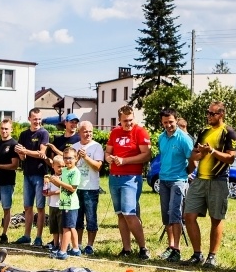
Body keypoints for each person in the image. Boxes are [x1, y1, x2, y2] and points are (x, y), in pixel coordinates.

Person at [182, 101, 236, 268]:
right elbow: (194, 154)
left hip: (218, 180)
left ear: (221, 114)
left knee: (216, 218)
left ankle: (212, 256)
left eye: (212, 113)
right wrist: (200, 153)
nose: (209, 116)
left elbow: (231, 158)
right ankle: (197, 254)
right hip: (199, 179)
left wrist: (212, 151)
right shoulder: (203, 131)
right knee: (189, 216)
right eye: (208, 113)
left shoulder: (229, 132)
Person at [105, 105, 152, 259]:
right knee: (120, 215)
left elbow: (146, 155)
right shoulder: (115, 132)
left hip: (131, 178)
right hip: (114, 178)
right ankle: (126, 249)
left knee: (129, 213)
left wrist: (124, 161)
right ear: (119, 120)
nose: (128, 123)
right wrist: (108, 158)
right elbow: (108, 151)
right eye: (125, 121)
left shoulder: (140, 131)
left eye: (131, 120)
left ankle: (143, 248)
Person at [155, 108, 194, 262]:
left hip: (178, 180)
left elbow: (193, 160)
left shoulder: (184, 139)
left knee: (175, 214)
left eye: (171, 122)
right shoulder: (161, 138)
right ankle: (170, 246)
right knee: (166, 216)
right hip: (163, 180)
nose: (168, 125)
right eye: (165, 122)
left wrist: (185, 174)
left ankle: (176, 249)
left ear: (176, 120)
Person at [14, 108, 50, 246]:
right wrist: (20, 153)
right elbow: (23, 156)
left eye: (39, 119)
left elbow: (41, 153)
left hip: (40, 175)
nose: (37, 121)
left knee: (40, 208)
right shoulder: (23, 134)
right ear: (29, 119)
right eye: (35, 119)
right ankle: (26, 235)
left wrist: (25, 151)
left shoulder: (43, 133)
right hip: (27, 174)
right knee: (28, 207)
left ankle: (39, 237)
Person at [71, 121, 104, 255]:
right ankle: (78, 244)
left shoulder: (97, 147)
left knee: (91, 218)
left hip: (91, 188)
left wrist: (86, 157)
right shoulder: (74, 146)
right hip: (76, 187)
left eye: (90, 131)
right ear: (79, 132)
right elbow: (70, 166)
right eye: (85, 131)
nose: (88, 134)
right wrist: (78, 157)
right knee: (77, 218)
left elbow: (98, 166)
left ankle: (90, 245)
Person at [49, 148, 81, 260]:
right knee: (71, 227)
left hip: (70, 204)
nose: (68, 161)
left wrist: (59, 182)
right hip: (64, 203)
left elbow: (72, 188)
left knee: (66, 228)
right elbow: (63, 187)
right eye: (65, 158)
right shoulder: (65, 171)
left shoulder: (75, 172)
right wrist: (54, 181)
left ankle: (62, 251)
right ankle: (76, 249)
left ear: (76, 159)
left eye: (70, 158)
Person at [42, 156, 63, 256]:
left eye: (63, 166)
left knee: (61, 227)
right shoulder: (49, 178)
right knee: (54, 227)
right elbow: (45, 192)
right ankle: (55, 244)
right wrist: (45, 184)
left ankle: (62, 245)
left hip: (61, 205)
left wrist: (52, 193)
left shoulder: (64, 178)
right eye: (58, 166)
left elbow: (63, 189)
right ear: (53, 166)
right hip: (52, 205)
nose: (61, 169)